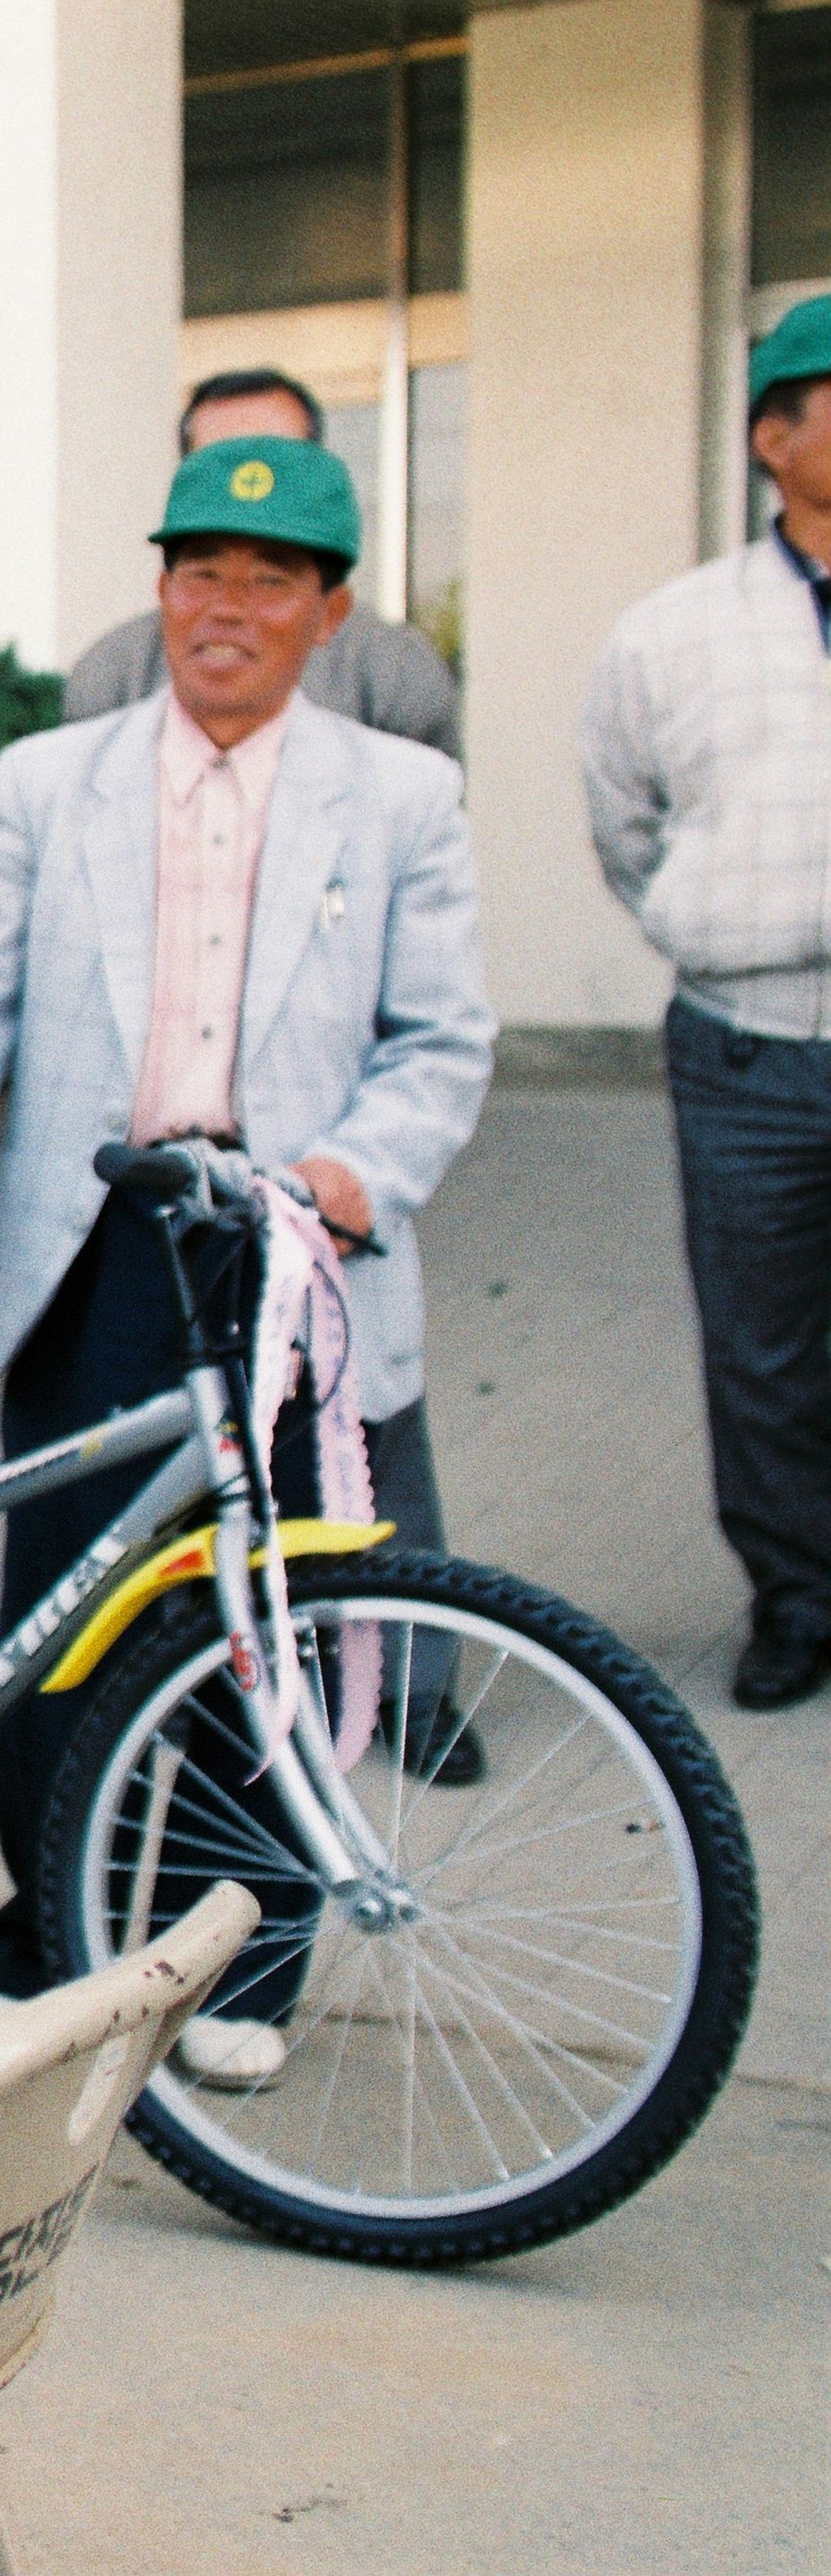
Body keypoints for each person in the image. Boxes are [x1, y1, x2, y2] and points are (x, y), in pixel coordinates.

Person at [0, 437, 494, 2075]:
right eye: (200, 570)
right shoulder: (60, 781)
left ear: (328, 610)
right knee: (75, 1598)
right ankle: (45, 1932)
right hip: (104, 1239)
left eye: (270, 578)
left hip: (296, 1243)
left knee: (278, 1596)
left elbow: (444, 1040)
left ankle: (240, 1969)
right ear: (160, 588)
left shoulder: (401, 798)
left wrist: (349, 1173)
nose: (227, 606)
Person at [584, 292, 831, 1712]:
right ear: (771, 438)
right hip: (748, 1048)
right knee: (765, 1342)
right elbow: (626, 826)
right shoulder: (675, 632)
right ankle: (799, 1593)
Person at [62, 367, 461, 760]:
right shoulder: (112, 677)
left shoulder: (396, 673)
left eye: (276, 460)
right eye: (221, 461)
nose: (248, 489)